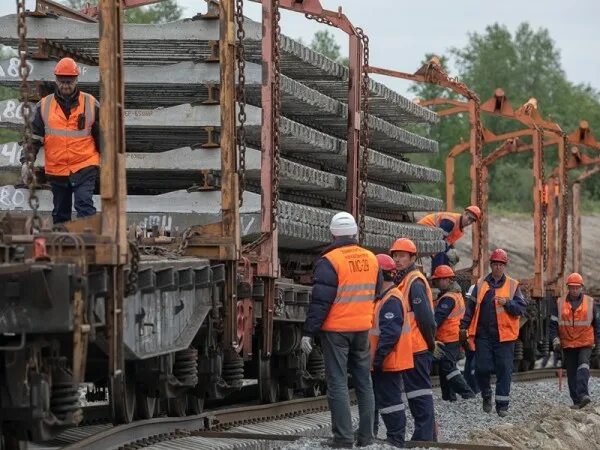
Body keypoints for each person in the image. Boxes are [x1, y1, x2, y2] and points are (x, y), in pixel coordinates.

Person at [301, 212, 379, 448]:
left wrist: (308, 332)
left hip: (336, 331)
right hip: (362, 329)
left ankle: (343, 438)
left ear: (333, 234)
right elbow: (375, 293)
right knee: (364, 381)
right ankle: (366, 437)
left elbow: (321, 301)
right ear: (355, 233)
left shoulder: (330, 261)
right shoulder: (372, 258)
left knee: (337, 383)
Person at [20, 57, 100, 224]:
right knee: (60, 214)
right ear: (56, 80)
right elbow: (32, 137)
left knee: (84, 204)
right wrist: (27, 162)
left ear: (76, 79)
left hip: (84, 166)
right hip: (57, 170)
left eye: (69, 81)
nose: (65, 85)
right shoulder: (44, 106)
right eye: (62, 81)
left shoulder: (91, 104)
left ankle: (92, 245)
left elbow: (103, 136)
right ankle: (62, 246)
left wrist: (108, 163)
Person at [459, 248, 527, 417]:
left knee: (504, 369)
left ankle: (502, 405)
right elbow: (471, 308)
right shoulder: (481, 284)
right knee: (482, 368)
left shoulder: (513, 285)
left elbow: (521, 309)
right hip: (483, 336)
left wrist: (507, 303)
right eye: (495, 264)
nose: (497, 267)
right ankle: (486, 394)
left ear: (505, 266)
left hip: (505, 337)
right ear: (491, 265)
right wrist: (463, 326)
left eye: (501, 264)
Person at [391, 238, 437, 442]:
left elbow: (426, 319)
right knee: (415, 395)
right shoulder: (403, 281)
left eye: (402, 256)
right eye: (395, 255)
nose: (397, 259)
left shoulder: (414, 282)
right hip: (410, 348)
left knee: (419, 394)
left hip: (418, 348)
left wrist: (430, 343)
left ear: (412, 258)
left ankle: (425, 438)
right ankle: (425, 436)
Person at [370, 254, 413, 448]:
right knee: (383, 399)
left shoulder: (391, 300)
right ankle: (383, 435)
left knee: (391, 401)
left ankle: (396, 439)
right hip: (385, 361)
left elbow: (389, 336)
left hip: (389, 362)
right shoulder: (384, 298)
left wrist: (376, 360)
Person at [549, 273, 600, 409]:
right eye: (572, 287)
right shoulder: (560, 303)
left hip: (585, 342)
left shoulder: (590, 303)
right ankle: (577, 401)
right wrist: (555, 338)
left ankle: (584, 395)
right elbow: (553, 324)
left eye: (577, 288)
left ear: (581, 288)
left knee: (583, 365)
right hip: (568, 343)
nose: (574, 290)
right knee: (571, 372)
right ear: (568, 288)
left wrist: (597, 341)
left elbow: (597, 324)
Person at [430, 265, 475, 401]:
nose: (439, 282)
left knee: (447, 367)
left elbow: (437, 319)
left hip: (448, 338)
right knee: (445, 368)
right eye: (438, 280)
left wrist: (428, 332)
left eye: (442, 279)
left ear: (449, 280)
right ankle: (448, 398)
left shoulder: (448, 298)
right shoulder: (455, 294)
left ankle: (467, 393)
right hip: (453, 337)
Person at [418, 206, 481, 271]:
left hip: (431, 235)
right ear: (465, 213)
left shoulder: (459, 230)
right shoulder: (450, 221)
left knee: (446, 257)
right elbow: (440, 240)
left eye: (472, 221)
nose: (469, 222)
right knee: (440, 251)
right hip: (420, 233)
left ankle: (444, 276)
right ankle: (437, 277)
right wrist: (449, 252)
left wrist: (453, 254)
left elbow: (447, 242)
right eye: (469, 218)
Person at [462, 284, 480, 394]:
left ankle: (473, 389)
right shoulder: (475, 309)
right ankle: (474, 389)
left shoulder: (474, 309)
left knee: (471, 366)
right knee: (471, 366)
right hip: (472, 341)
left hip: (473, 340)